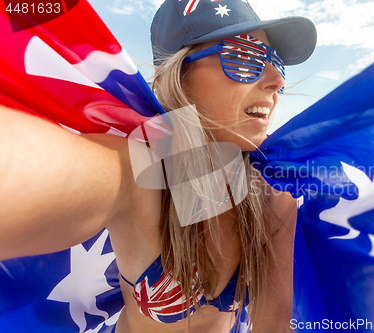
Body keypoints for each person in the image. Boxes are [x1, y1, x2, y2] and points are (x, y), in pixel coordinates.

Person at [0, 0, 316, 332]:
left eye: (275, 61)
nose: (276, 80)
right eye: (243, 57)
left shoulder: (271, 196)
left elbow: (275, 324)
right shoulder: (137, 174)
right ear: (172, 77)